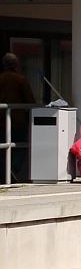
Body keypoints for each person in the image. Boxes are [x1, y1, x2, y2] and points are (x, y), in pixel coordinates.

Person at [0, 53, 36, 182]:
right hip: (18, 121)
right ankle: (13, 168)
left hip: (1, 122)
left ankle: (4, 173)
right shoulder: (21, 80)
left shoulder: (1, 78)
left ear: (4, 64)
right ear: (16, 65)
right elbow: (29, 101)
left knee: (2, 148)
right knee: (21, 147)